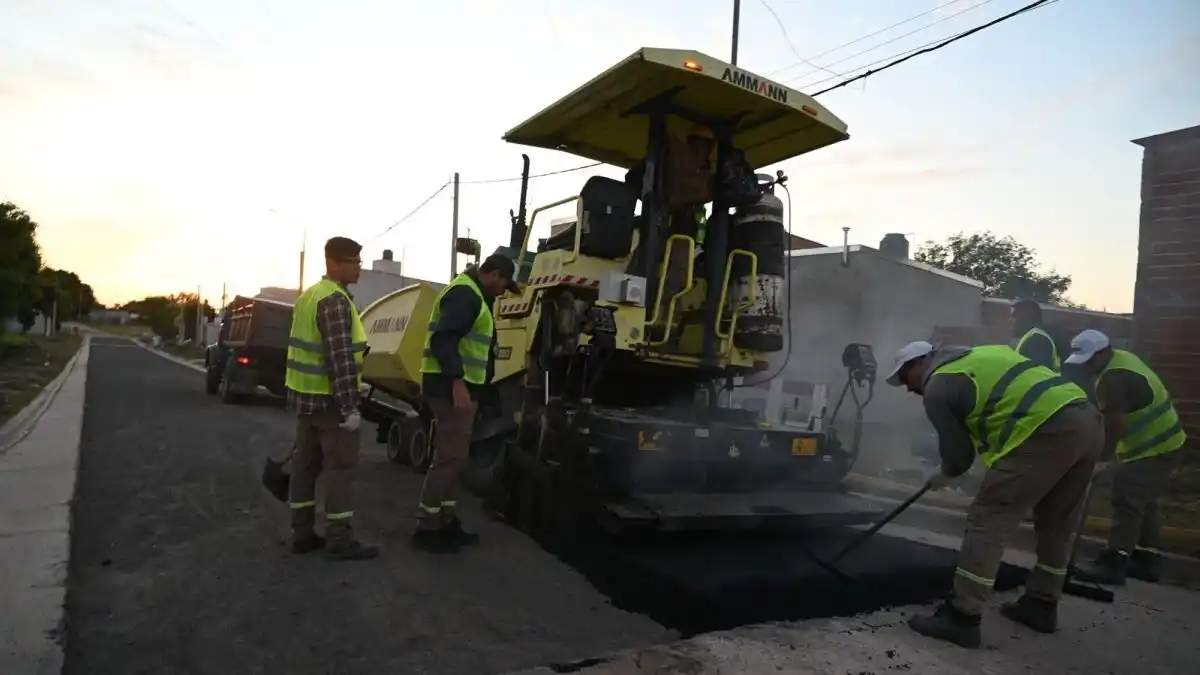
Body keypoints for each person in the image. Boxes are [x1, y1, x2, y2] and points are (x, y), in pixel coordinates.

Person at [885, 340, 1102, 648]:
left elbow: (959, 455)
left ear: (918, 364)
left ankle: (962, 616)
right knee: (1056, 523)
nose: (908, 389)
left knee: (988, 519)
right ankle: (1041, 603)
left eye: (905, 380)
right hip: (1087, 422)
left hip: (1046, 428)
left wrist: (945, 473)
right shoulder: (981, 354)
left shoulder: (938, 385)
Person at [413, 254, 519, 554]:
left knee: (455, 458)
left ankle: (446, 521)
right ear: (494, 274)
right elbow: (443, 339)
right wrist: (457, 380)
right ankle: (427, 526)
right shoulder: (465, 295)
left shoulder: (472, 293)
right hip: (451, 390)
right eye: (502, 285)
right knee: (449, 458)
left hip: (460, 389)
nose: (502, 292)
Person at [1064, 329, 1188, 585]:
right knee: (1146, 501)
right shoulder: (1124, 357)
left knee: (1127, 500)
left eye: (1089, 360)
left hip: (1151, 447)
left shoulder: (1113, 378)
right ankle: (1146, 561)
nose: (1085, 367)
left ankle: (1115, 562)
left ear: (1102, 353)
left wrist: (1103, 459)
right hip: (1168, 442)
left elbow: (1114, 426)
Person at [284, 236, 378, 561]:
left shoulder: (309, 296)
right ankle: (339, 539)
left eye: (359, 262)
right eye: (352, 262)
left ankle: (302, 533)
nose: (359, 268)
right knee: (340, 471)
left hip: (305, 400)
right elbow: (340, 358)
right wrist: (350, 407)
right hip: (330, 404)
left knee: (305, 468)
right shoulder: (335, 301)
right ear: (333, 263)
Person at [1010, 298, 1060, 371]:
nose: (1010, 320)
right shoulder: (1031, 337)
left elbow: (1035, 373)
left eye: (1014, 316)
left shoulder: (1038, 341)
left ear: (1026, 317)